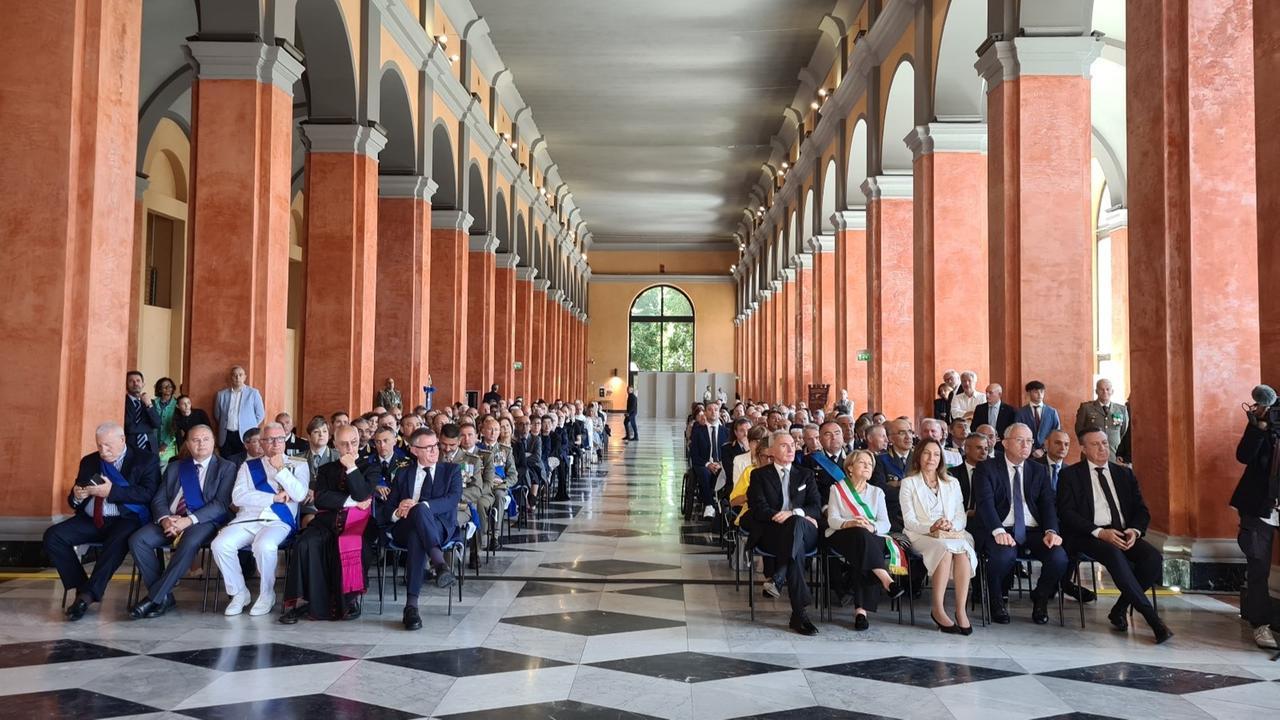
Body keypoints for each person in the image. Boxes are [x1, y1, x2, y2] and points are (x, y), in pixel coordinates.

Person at [1057, 427, 1171, 644]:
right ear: (1083, 448)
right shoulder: (1070, 475)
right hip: (1088, 534)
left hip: (1122, 532)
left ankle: (1119, 608)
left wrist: (1134, 530)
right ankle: (1152, 619)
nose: (1102, 448)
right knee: (1113, 553)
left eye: (1104, 442)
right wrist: (1100, 532)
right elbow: (1067, 513)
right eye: (1095, 444)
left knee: (1153, 559)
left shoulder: (1124, 474)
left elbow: (1141, 510)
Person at [44, 422, 160, 621]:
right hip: (92, 519)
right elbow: (75, 499)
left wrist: (112, 491)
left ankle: (86, 597)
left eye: (108, 445)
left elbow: (148, 494)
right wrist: (77, 496)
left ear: (122, 440)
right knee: (53, 536)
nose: (103, 451)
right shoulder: (89, 461)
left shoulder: (145, 460)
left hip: (125, 519)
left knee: (116, 543)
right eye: (99, 446)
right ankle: (83, 587)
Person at [127, 425, 236, 619]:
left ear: (213, 442)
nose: (201, 443)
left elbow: (220, 504)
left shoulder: (226, 467)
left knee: (190, 541)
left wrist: (189, 520)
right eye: (195, 440)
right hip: (172, 519)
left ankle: (153, 598)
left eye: (205, 439)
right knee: (138, 540)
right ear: (187, 444)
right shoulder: (176, 466)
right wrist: (165, 519)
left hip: (204, 521)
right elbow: (159, 499)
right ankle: (164, 597)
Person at [972, 423, 1067, 625]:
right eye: (1020, 440)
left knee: (1059, 558)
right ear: (1005, 443)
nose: (1026, 445)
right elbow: (985, 503)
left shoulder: (1039, 470)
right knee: (1002, 557)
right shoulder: (987, 468)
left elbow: (1048, 504)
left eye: (1030, 440)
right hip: (1000, 528)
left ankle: (1040, 597)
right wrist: (997, 530)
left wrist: (1051, 530)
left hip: (1033, 530)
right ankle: (996, 600)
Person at [280, 425, 377, 623]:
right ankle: (301, 601)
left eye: (354, 442)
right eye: (344, 444)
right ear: (335, 445)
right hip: (326, 523)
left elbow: (362, 493)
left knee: (353, 545)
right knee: (305, 543)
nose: (350, 448)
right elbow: (321, 498)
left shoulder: (371, 467)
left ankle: (349, 600)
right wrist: (351, 502)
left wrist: (352, 468)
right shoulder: (326, 470)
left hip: (359, 525)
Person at [211, 422, 309, 617]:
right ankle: (238, 593)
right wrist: (273, 498)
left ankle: (266, 594)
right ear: (262, 443)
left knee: (264, 546)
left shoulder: (298, 464)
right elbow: (238, 497)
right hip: (247, 520)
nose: (275, 443)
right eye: (270, 439)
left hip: (278, 521)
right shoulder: (249, 466)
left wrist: (281, 470)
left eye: (280, 439)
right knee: (220, 544)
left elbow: (299, 494)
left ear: (285, 441)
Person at [746, 431, 821, 636]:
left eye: (792, 444)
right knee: (793, 552)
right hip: (774, 532)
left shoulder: (805, 474)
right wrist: (783, 516)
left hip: (806, 533)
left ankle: (779, 575)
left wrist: (794, 513)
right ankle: (799, 613)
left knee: (796, 522)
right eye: (783, 445)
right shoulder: (759, 475)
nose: (790, 449)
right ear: (770, 451)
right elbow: (758, 508)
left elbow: (816, 506)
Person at [386, 428, 461, 630]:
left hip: (439, 527)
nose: (434, 450)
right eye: (427, 447)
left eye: (435, 445)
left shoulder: (451, 471)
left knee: (416, 534)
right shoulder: (403, 474)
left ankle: (411, 606)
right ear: (414, 450)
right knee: (413, 526)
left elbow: (452, 500)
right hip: (403, 525)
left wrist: (422, 507)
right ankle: (440, 564)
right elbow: (387, 509)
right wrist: (398, 511)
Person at [899, 438, 975, 634]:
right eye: (926, 453)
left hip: (951, 532)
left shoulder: (952, 482)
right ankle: (938, 609)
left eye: (936, 454)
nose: (931, 458)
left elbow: (960, 514)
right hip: (920, 534)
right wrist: (932, 528)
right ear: (918, 456)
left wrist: (951, 525)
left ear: (941, 458)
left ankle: (960, 610)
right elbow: (909, 520)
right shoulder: (908, 483)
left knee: (963, 550)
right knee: (944, 549)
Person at [825, 450, 905, 628]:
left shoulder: (877, 492)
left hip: (871, 537)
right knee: (860, 537)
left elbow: (885, 523)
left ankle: (861, 613)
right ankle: (885, 581)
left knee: (863, 544)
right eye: (863, 463)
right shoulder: (837, 489)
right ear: (850, 467)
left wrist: (872, 527)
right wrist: (851, 523)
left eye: (870, 464)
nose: (868, 466)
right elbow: (833, 519)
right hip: (843, 535)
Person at [1233, 399, 1280, 649]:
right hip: (1259, 504)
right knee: (1258, 565)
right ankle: (1261, 625)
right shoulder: (1263, 423)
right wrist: (1258, 425)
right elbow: (1243, 455)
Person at [871, 418, 914, 530]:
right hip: (893, 516)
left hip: (918, 513)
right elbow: (880, 490)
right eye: (902, 433)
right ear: (890, 438)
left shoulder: (920, 459)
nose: (908, 436)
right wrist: (909, 488)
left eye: (910, 431)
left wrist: (898, 484)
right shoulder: (881, 460)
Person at [214, 365, 265, 458]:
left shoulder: (253, 393)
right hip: (226, 435)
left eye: (240, 375)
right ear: (231, 377)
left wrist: (249, 425)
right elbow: (218, 415)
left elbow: (260, 414)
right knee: (227, 463)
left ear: (245, 377)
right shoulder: (221, 395)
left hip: (246, 435)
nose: (238, 378)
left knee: (244, 462)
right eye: (235, 375)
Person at [690, 402, 729, 518]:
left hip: (721, 464)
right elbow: (694, 453)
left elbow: (727, 453)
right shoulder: (698, 430)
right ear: (705, 412)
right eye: (710, 409)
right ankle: (709, 505)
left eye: (716, 410)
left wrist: (720, 464)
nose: (713, 412)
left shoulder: (725, 431)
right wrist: (708, 464)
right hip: (703, 464)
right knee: (704, 473)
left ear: (719, 413)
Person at [1074, 379, 1129, 462]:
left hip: (1113, 455)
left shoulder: (1121, 410)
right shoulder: (1086, 408)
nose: (1105, 392)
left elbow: (1123, 431)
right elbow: (1079, 429)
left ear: (1112, 391)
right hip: (1091, 455)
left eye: (1107, 389)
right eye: (1101, 389)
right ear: (1096, 391)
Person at [1015, 380, 1060, 454]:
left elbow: (1056, 432)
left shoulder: (1052, 412)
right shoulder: (1021, 412)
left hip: (1048, 452)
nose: (1040, 395)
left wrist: (1043, 449)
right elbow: (1018, 433)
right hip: (1027, 452)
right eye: (1036, 392)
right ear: (1029, 393)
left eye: (1042, 391)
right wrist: (1032, 450)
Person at [949, 433, 988, 514]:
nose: (983, 452)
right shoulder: (952, 474)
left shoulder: (993, 474)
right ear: (967, 449)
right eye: (979, 448)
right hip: (960, 517)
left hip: (986, 519)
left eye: (986, 449)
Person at [123, 370, 162, 453]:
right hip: (130, 446)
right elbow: (128, 427)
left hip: (150, 446)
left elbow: (157, 423)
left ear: (143, 384)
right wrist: (149, 428)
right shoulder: (123, 402)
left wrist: (149, 405)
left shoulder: (150, 402)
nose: (135, 383)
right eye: (131, 381)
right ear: (126, 385)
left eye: (138, 381)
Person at [152, 377, 178, 463]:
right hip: (153, 442)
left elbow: (175, 426)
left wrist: (165, 444)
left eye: (170, 386)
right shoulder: (153, 403)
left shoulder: (177, 404)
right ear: (159, 389)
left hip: (170, 444)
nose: (167, 388)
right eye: (164, 386)